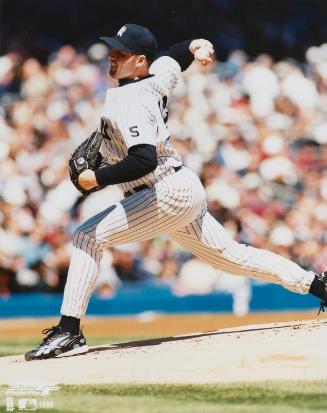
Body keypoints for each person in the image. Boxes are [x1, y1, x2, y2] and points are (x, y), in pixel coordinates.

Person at [25, 24, 327, 361]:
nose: (112, 56)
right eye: (112, 49)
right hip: (178, 189)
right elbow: (173, 56)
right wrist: (196, 45)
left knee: (86, 236)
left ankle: (69, 330)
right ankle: (318, 285)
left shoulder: (130, 99)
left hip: (164, 193)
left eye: (120, 53)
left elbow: (143, 158)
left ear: (139, 61)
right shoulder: (153, 77)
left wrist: (99, 178)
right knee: (232, 256)